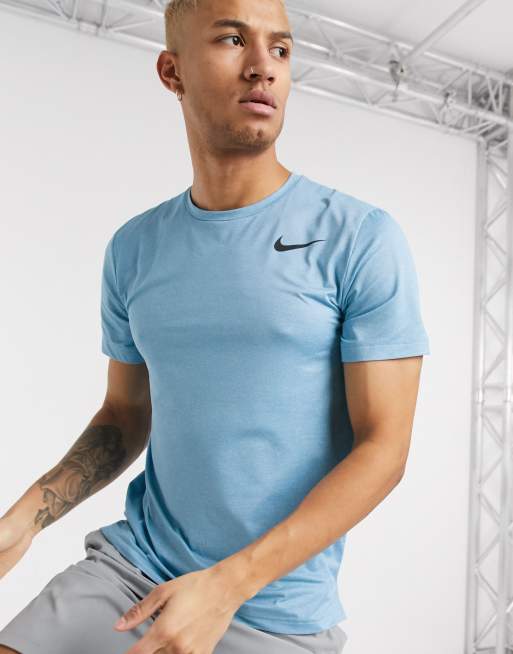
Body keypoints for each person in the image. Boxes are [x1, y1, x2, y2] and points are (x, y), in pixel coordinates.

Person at [0, 0, 430, 652]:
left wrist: (228, 585)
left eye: (280, 49)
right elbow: (124, 414)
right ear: (171, 72)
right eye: (233, 40)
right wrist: (25, 518)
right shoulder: (134, 248)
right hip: (129, 570)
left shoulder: (360, 238)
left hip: (272, 608)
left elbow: (383, 450)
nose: (263, 67)